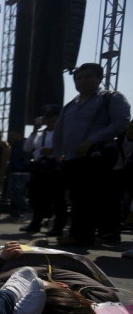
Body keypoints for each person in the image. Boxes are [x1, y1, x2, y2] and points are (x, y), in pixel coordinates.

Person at [53, 62, 131, 246]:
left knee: (89, 197)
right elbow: (59, 132)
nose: (82, 81)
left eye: (87, 76)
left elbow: (121, 122)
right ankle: (79, 234)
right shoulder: (71, 105)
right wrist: (58, 155)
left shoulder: (110, 98)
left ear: (99, 78)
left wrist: (93, 139)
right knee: (77, 197)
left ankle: (83, 236)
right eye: (78, 78)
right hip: (72, 159)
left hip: (97, 156)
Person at [22, 105, 65, 235]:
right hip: (40, 169)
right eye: (47, 117)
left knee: (57, 199)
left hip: (55, 169)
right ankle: (35, 224)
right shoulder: (41, 134)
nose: (49, 120)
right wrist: (34, 131)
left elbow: (66, 146)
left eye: (52, 117)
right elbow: (27, 148)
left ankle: (58, 227)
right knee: (37, 198)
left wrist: (52, 150)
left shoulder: (62, 132)